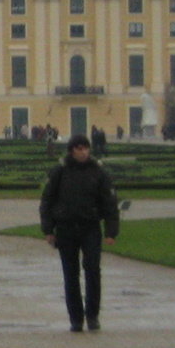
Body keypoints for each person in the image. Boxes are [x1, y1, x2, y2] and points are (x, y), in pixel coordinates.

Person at [39, 133, 120, 332]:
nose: (84, 152)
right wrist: (48, 229)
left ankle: (92, 315)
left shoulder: (99, 172)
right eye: (80, 148)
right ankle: (76, 318)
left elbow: (110, 204)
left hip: (90, 227)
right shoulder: (59, 171)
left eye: (86, 148)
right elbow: (46, 201)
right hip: (65, 228)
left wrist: (111, 232)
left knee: (93, 270)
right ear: (72, 150)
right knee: (70, 273)